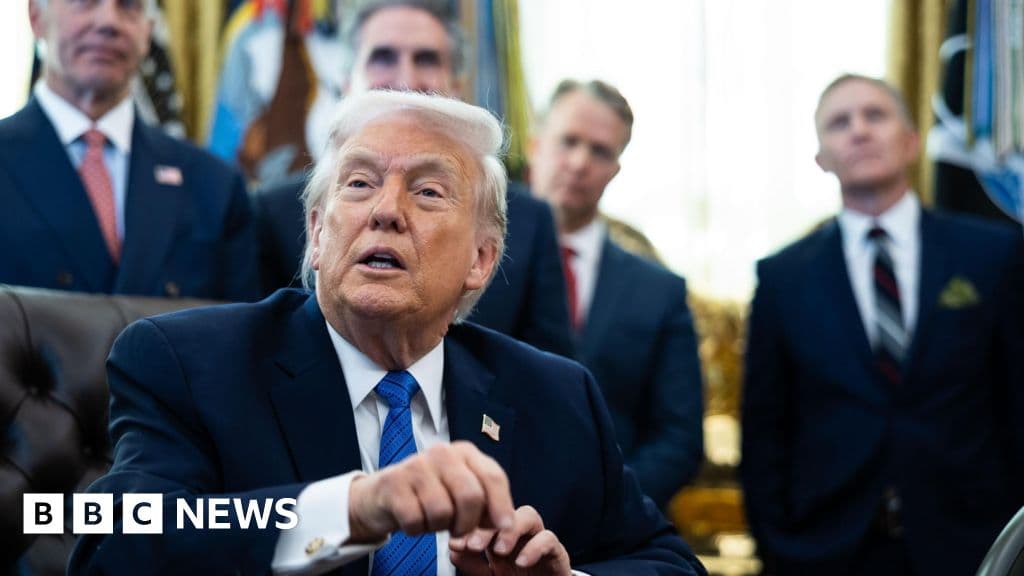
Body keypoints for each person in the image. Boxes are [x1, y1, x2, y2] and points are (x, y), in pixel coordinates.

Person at [68, 90, 706, 576]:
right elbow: (114, 537)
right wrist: (355, 508)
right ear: (318, 234)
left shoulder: (557, 396)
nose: (386, 210)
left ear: (481, 260)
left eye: (428, 192)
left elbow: (667, 561)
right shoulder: (189, 363)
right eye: (360, 183)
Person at [740, 74, 1024, 576]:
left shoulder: (992, 255)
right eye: (839, 123)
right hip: (826, 550)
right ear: (821, 158)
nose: (859, 131)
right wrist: (780, 548)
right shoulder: (783, 276)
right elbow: (765, 431)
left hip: (970, 545)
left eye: (876, 115)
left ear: (911, 142)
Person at [253, 0, 574, 358]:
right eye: (383, 57)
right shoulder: (270, 211)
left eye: (426, 59)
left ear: (457, 86)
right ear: (346, 82)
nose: (404, 80)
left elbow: (546, 384)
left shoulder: (529, 220)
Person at [0, 0, 258, 301]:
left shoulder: (214, 186)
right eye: (85, 2)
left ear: (149, 29)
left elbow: (243, 337)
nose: (108, 21)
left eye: (129, 6)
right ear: (36, 17)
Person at [529, 79, 705, 510]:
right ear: (535, 145)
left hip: (614, 523)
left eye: (600, 151)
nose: (578, 162)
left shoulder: (658, 291)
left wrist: (610, 506)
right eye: (568, 141)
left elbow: (679, 438)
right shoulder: (468, 259)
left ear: (616, 169)